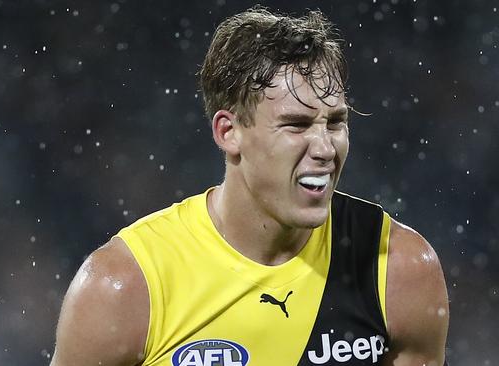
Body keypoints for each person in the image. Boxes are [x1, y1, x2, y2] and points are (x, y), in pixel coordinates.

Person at [50, 6, 449, 366]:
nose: (325, 148)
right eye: (296, 124)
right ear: (229, 132)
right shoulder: (125, 287)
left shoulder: (399, 269)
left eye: (335, 123)